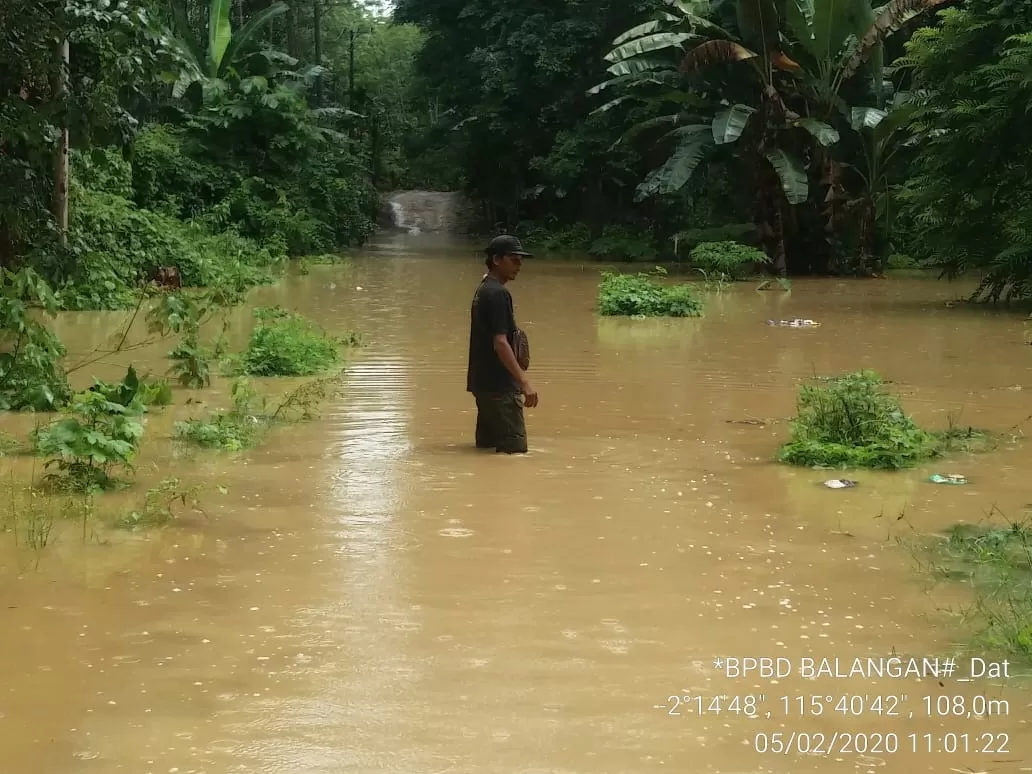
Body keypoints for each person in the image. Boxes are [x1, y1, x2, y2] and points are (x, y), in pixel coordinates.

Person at [466, 234, 538, 454]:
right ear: (497, 260)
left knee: (486, 450)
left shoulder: (484, 288)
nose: (519, 266)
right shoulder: (498, 293)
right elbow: (500, 343)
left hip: (483, 384)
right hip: (500, 387)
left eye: (520, 261)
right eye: (514, 259)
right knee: (515, 453)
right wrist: (524, 382)